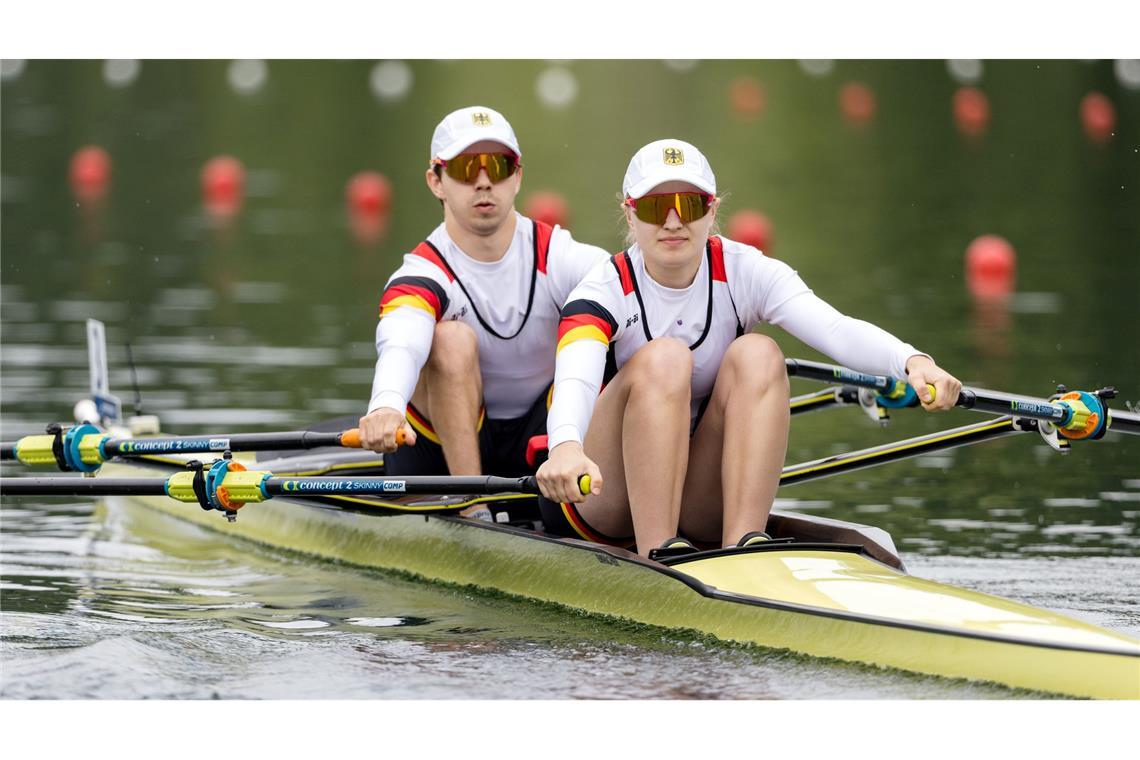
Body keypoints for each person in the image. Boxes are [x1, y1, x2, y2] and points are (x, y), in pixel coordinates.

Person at [536, 138, 962, 558]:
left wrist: (912, 361)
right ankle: (658, 552)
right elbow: (576, 375)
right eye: (653, 207)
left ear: (713, 209)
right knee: (666, 358)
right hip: (602, 494)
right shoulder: (603, 289)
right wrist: (565, 447)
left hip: (697, 496)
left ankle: (744, 546)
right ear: (630, 215)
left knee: (759, 353)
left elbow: (835, 329)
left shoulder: (746, 271)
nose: (671, 222)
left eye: (689, 205)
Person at [360, 106, 610, 481]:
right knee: (450, 339)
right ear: (436, 181)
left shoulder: (559, 255)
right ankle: (471, 503)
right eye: (464, 169)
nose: (483, 182)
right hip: (436, 453)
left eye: (497, 166)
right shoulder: (424, 272)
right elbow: (402, 341)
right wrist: (385, 404)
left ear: (517, 177)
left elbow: (633, 290)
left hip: (541, 440)